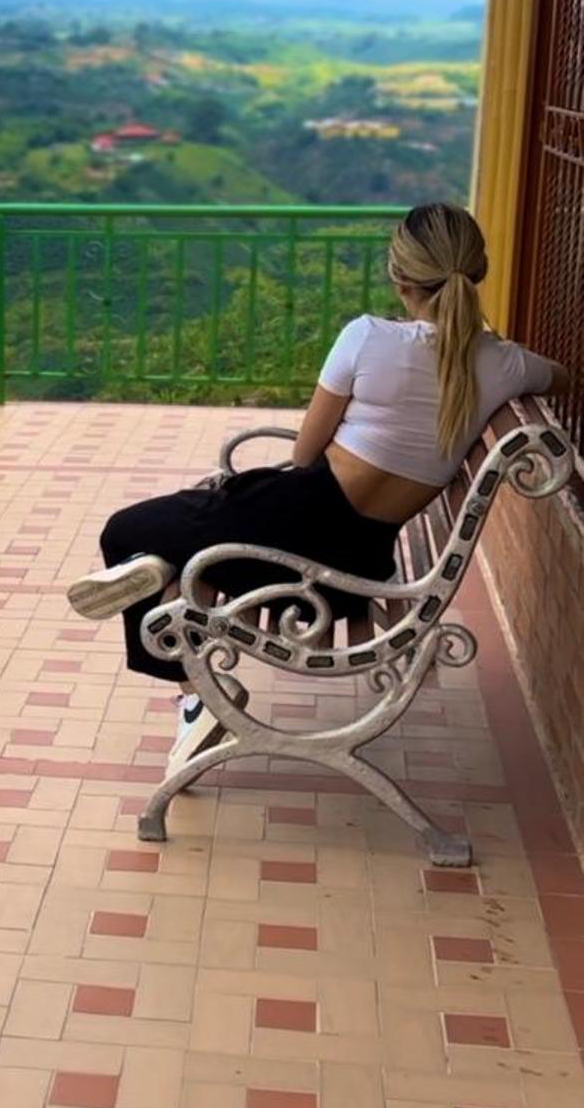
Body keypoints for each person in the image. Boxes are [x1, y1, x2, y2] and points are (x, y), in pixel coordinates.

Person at [67, 202, 569, 776]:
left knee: (124, 532)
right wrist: (492, 351)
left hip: (288, 533)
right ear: (476, 272)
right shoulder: (504, 364)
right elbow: (560, 376)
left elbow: (305, 456)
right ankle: (167, 590)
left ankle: (194, 693)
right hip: (355, 567)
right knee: (177, 546)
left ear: (399, 278)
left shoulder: (368, 337)